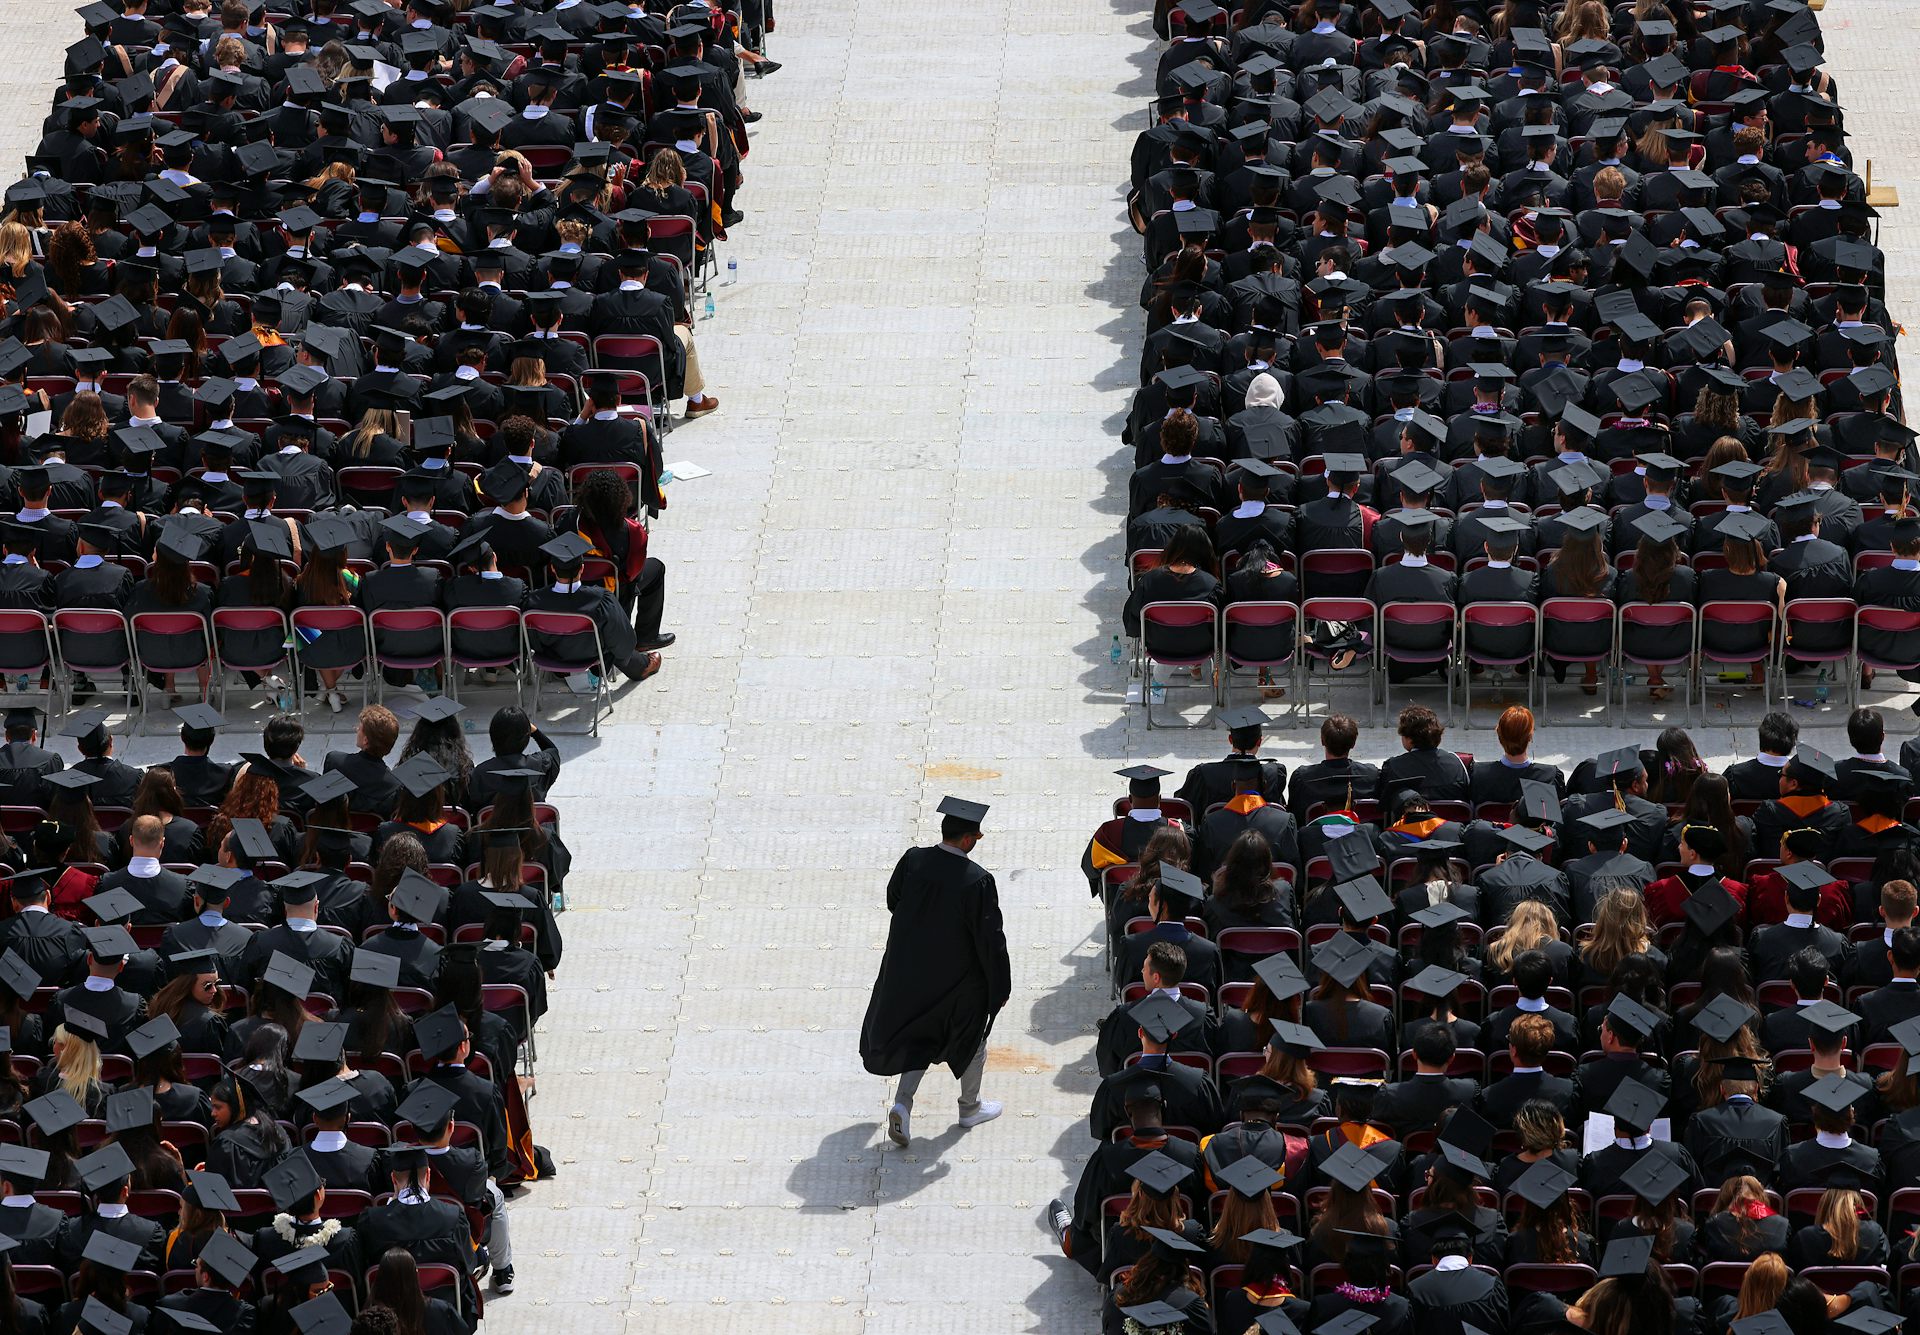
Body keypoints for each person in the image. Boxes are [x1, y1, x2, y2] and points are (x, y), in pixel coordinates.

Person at [860, 798, 1011, 1148]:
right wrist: (1000, 985)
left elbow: (893, 900)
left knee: (919, 1039)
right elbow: (990, 940)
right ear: (969, 840)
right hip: (958, 981)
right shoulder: (977, 881)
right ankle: (969, 1108)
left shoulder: (913, 860)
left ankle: (903, 1104)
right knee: (973, 1038)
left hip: (908, 972)